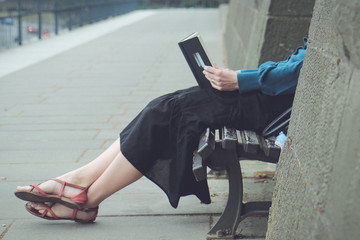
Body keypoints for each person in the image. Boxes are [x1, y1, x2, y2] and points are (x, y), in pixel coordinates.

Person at [15, 38, 308, 222]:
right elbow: (296, 66)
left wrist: (240, 79)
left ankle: (85, 196)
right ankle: (78, 184)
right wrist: (240, 78)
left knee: (172, 112)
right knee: (165, 105)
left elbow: (298, 71)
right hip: (265, 100)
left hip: (270, 112)